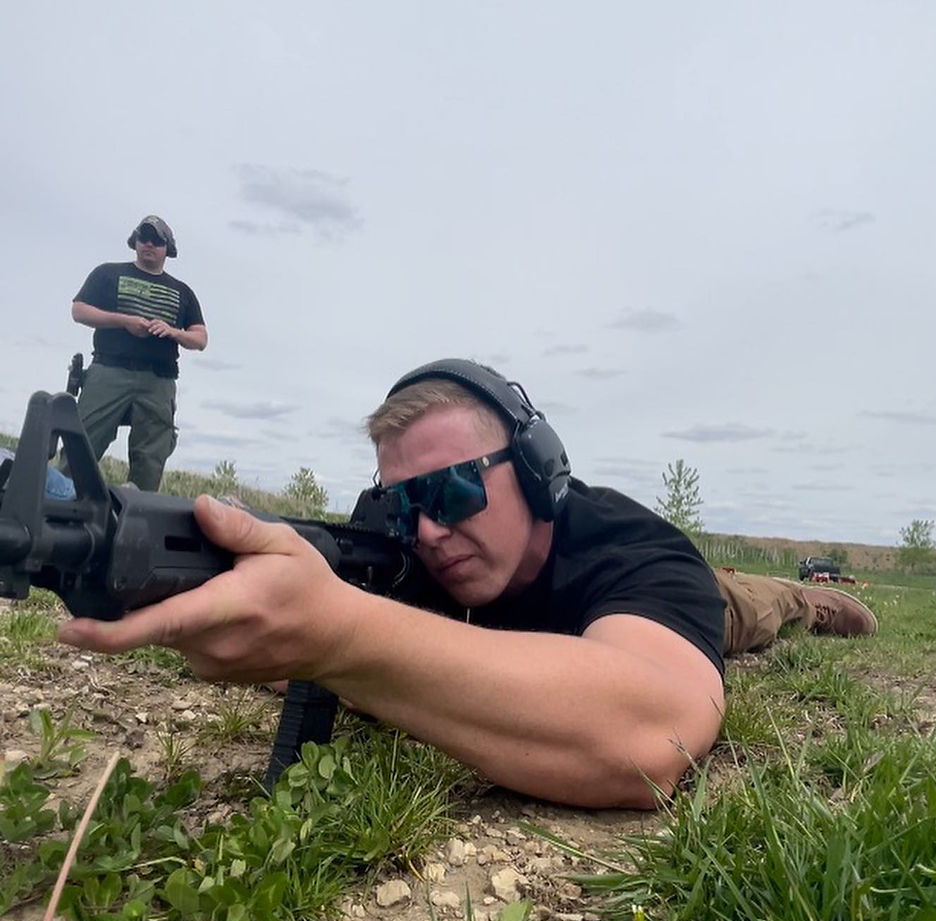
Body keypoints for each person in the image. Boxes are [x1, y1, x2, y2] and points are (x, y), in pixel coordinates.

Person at [56, 359, 877, 809]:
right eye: (403, 503)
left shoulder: (631, 546)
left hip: (664, 611)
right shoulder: (406, 550)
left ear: (537, 469)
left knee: (748, 608)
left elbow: (651, 741)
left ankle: (799, 597)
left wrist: (342, 636)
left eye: (452, 490)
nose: (427, 530)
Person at [67, 215, 208, 491]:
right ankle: (59, 501)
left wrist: (173, 332)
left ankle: (138, 511)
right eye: (144, 237)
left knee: (150, 459)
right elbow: (79, 310)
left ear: (168, 248)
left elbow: (200, 338)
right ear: (135, 241)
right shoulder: (108, 273)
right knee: (81, 444)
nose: (149, 244)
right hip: (109, 371)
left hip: (158, 381)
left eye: (156, 240)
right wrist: (125, 321)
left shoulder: (183, 292)